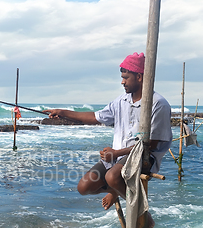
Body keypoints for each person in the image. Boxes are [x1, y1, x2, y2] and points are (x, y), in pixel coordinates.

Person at [44, 52, 172, 216]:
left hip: (144, 157)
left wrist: (116, 153)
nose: (122, 81)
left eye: (126, 77)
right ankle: (117, 190)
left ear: (139, 77)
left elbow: (150, 144)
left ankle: (143, 212)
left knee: (112, 176)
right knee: (84, 187)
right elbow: (94, 117)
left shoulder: (158, 104)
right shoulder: (121, 101)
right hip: (118, 157)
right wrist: (62, 112)